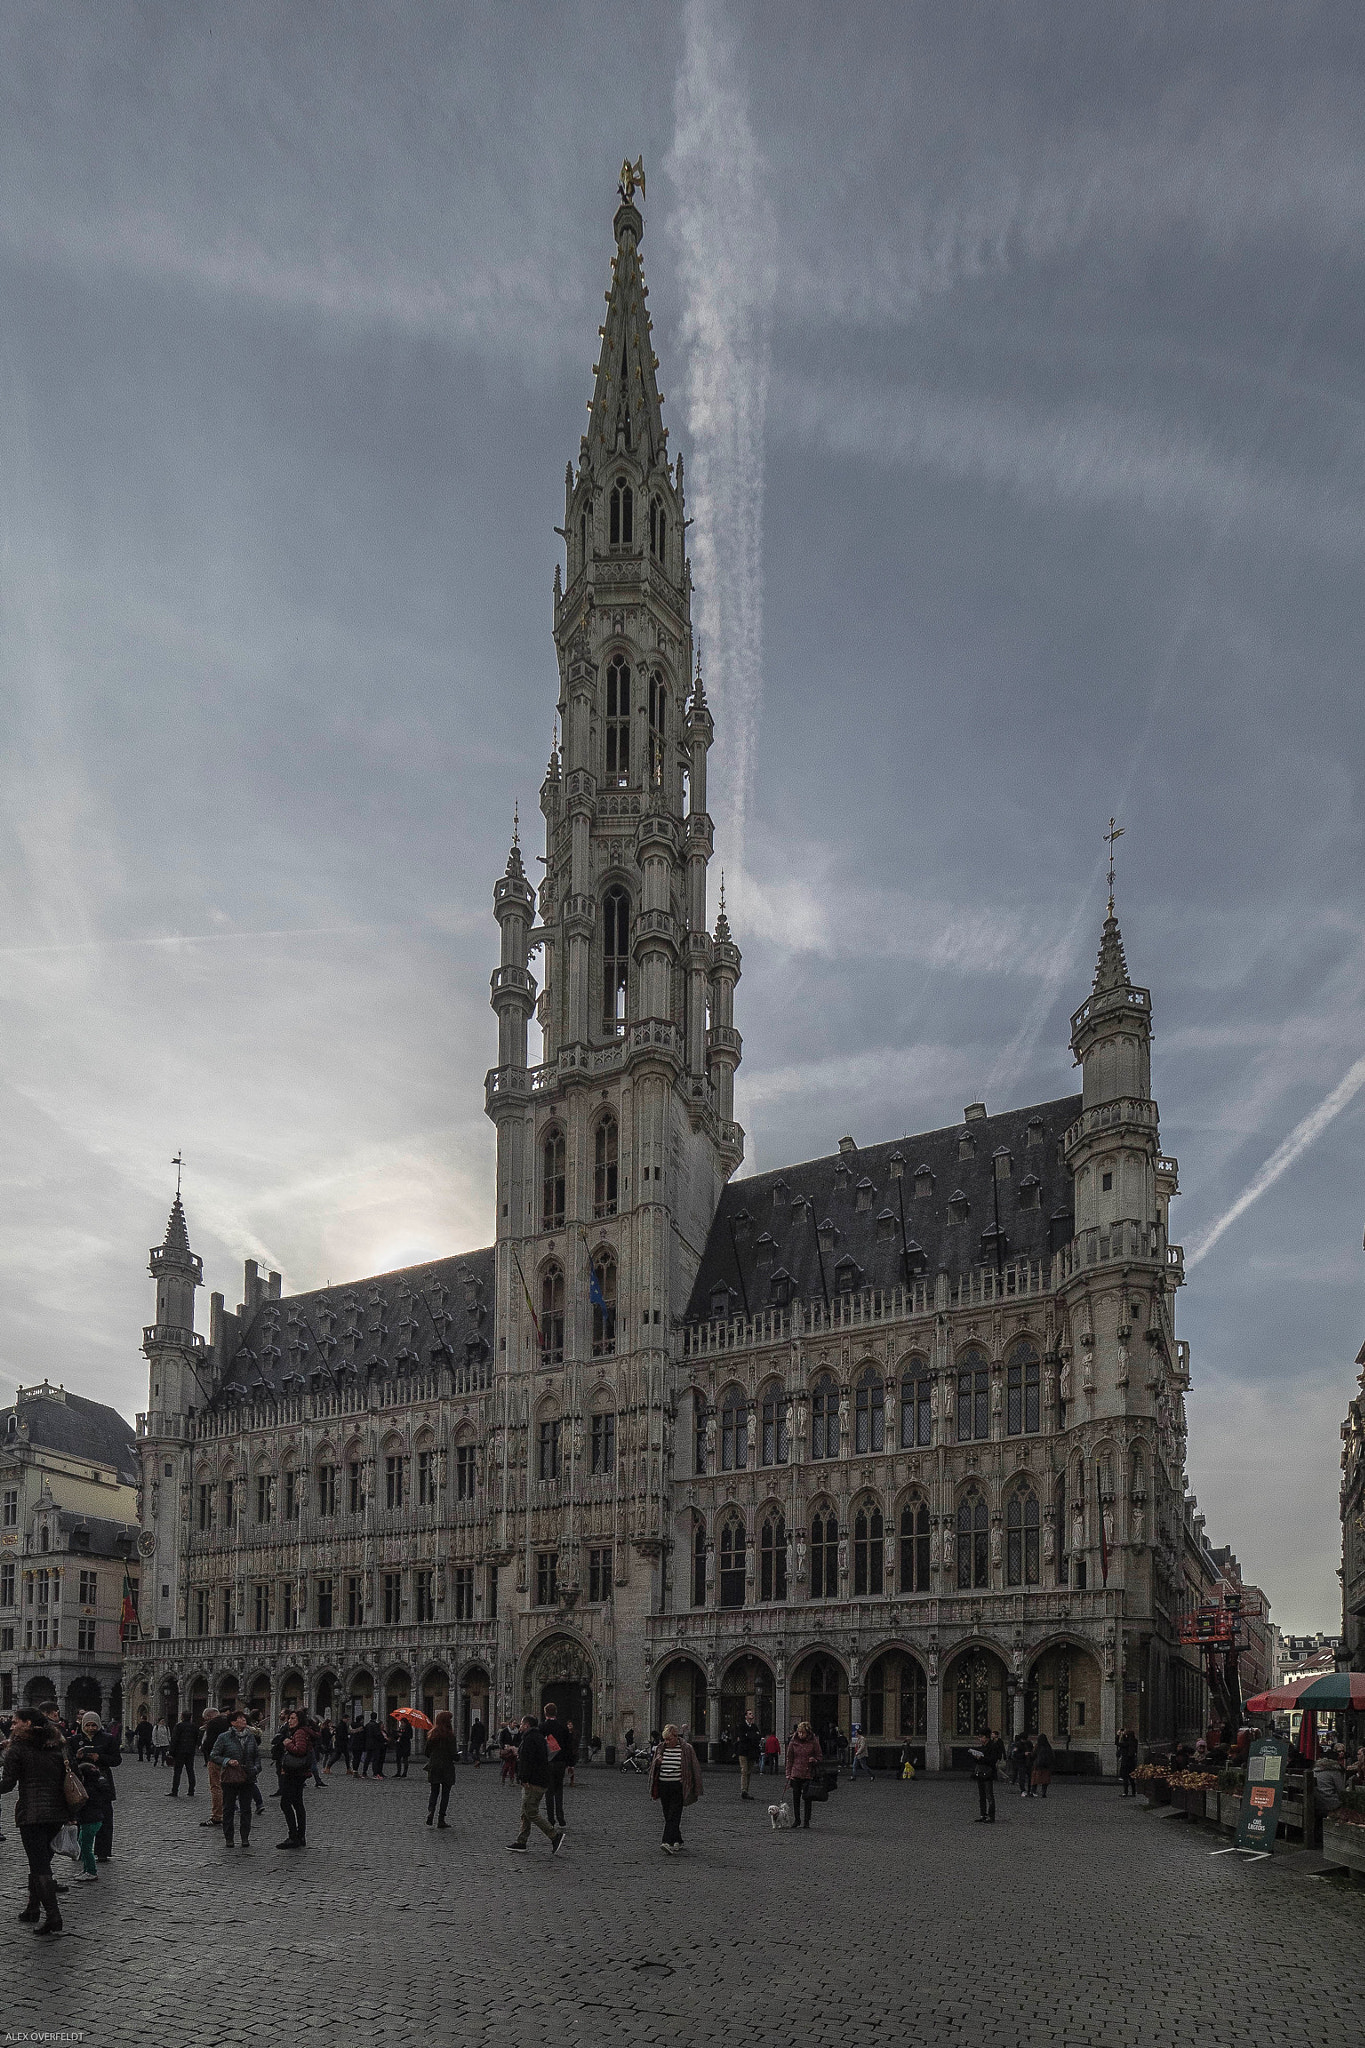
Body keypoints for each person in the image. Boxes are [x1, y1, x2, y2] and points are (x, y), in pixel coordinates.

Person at [2, 1708, 70, 1933]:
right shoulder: (57, 1745)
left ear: (27, 1723)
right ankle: (32, 1908)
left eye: (15, 1722)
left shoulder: (18, 1749)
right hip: (56, 1814)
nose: (11, 1726)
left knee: (39, 1865)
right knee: (40, 1862)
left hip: (32, 1814)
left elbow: (8, 1784)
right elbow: (72, 1775)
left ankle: (53, 1916)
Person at [508, 1714, 564, 1854]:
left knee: (531, 1812)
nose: (519, 1726)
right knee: (525, 1811)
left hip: (534, 1781)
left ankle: (554, 1835)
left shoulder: (530, 1739)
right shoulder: (537, 1737)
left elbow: (528, 1762)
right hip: (539, 1779)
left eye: (521, 1724)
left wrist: (524, 1779)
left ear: (527, 1725)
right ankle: (522, 1841)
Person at [210, 1708, 261, 1848]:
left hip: (248, 1776)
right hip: (230, 1778)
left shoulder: (250, 1736)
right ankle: (229, 1837)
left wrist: (256, 1768)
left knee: (246, 1809)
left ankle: (245, 1837)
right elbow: (214, 1755)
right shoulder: (224, 1737)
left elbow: (256, 1755)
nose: (244, 1720)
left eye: (244, 1719)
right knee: (228, 1808)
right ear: (233, 1723)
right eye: (240, 1719)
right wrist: (227, 1761)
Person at [650, 1721, 703, 1854]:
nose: (666, 1742)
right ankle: (677, 1840)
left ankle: (666, 1841)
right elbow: (653, 1767)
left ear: (675, 1736)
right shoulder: (660, 1748)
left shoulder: (686, 1749)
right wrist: (657, 1762)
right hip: (663, 1785)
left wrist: (696, 1786)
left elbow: (694, 1768)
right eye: (665, 1739)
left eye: (669, 1739)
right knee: (668, 1814)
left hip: (678, 1786)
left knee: (674, 1814)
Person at [78, 1712, 121, 1861]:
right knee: (80, 1817)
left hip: (102, 1782)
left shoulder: (108, 1739)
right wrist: (77, 1757)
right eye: (87, 1725)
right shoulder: (77, 1739)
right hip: (82, 1781)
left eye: (93, 1725)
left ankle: (102, 1851)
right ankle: (80, 1849)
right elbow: (68, 1760)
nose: (90, 1728)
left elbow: (116, 1760)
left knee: (105, 1817)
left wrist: (100, 1757)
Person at [274, 1710, 316, 1848]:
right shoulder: (303, 1731)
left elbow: (300, 1750)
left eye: (293, 1718)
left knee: (285, 1803)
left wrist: (287, 1743)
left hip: (293, 1772)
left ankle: (293, 1836)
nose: (289, 1721)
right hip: (300, 1772)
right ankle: (300, 1836)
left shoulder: (299, 1732)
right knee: (298, 1803)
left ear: (299, 1720)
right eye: (289, 1718)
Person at [73, 1743, 114, 1882]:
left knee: (85, 1846)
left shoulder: (88, 1791)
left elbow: (82, 1806)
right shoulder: (97, 1786)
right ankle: (86, 1869)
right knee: (83, 1843)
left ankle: (91, 1871)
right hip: (93, 1819)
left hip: (90, 1820)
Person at [785, 1721, 824, 1830]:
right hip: (796, 1772)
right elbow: (790, 1759)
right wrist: (788, 1773)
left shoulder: (814, 1742)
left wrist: (815, 1760)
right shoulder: (793, 1742)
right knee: (795, 1798)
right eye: (799, 1732)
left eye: (803, 1733)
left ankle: (806, 1820)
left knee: (807, 1798)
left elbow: (820, 1756)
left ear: (807, 1733)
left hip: (808, 1773)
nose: (801, 1735)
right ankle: (797, 1819)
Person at [541, 1702, 573, 1834]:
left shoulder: (542, 1727)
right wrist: (570, 1764)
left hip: (548, 1763)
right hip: (560, 1763)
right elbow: (568, 1747)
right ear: (556, 1713)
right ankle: (560, 1816)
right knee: (559, 1789)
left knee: (549, 1791)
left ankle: (550, 1819)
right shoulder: (563, 1728)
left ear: (545, 1713)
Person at [200, 1704, 232, 1829]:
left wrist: (204, 1749)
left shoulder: (213, 1724)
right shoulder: (229, 1721)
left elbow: (209, 1742)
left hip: (216, 1759)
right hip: (229, 1759)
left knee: (216, 1787)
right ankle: (228, 1812)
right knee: (228, 1786)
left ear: (209, 1716)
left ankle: (217, 1815)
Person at [425, 1709, 458, 1828]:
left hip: (434, 1766)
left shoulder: (432, 1735)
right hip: (446, 1767)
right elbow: (454, 1754)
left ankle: (431, 1811)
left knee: (434, 1792)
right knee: (445, 1794)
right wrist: (457, 1756)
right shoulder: (450, 1736)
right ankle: (441, 1819)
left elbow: (426, 1752)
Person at [971, 1730, 1004, 1822]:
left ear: (987, 1737)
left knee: (989, 1795)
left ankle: (991, 1816)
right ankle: (983, 1814)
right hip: (981, 1772)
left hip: (988, 1773)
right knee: (981, 1795)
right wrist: (976, 1757)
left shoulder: (992, 1747)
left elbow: (992, 1760)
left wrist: (981, 1758)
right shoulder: (982, 1747)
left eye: (981, 1737)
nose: (980, 1739)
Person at [168, 1710, 198, 1798]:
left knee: (177, 1772)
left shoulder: (179, 1726)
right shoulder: (194, 1726)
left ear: (182, 1717)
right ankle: (191, 1790)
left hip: (179, 1752)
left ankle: (174, 1791)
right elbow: (197, 1738)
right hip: (190, 1751)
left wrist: (171, 1752)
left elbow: (174, 1739)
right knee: (190, 1770)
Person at [736, 1711, 761, 1799]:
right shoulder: (742, 1726)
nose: (752, 1715)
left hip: (752, 1752)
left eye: (752, 1714)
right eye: (750, 1714)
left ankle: (746, 1790)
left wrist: (750, 1736)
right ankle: (743, 1790)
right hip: (743, 1752)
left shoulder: (754, 1726)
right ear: (746, 1716)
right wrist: (752, 1736)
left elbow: (758, 1736)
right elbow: (742, 1737)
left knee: (749, 1772)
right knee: (744, 1770)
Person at [1031, 1731, 1054, 1800]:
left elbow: (1033, 1755)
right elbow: (1052, 1756)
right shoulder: (1048, 1746)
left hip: (1038, 1765)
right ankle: (1044, 1793)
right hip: (1046, 1766)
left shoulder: (1037, 1746)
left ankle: (1033, 1791)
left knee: (1035, 1779)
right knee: (1045, 1780)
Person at [1011, 1731, 1034, 1798]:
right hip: (1021, 1763)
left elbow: (1032, 1750)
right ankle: (1023, 1790)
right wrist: (1023, 1754)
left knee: (1030, 1777)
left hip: (1028, 1762)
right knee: (1022, 1777)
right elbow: (1015, 1754)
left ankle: (1030, 1790)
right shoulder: (1018, 1745)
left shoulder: (1029, 1744)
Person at [1117, 1728, 1139, 1798]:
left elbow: (1117, 1743)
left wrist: (1118, 1735)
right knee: (1132, 1779)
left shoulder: (1125, 1744)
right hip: (1132, 1762)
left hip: (1125, 1763)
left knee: (1125, 1778)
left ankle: (1125, 1792)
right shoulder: (1134, 1742)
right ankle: (1133, 1792)